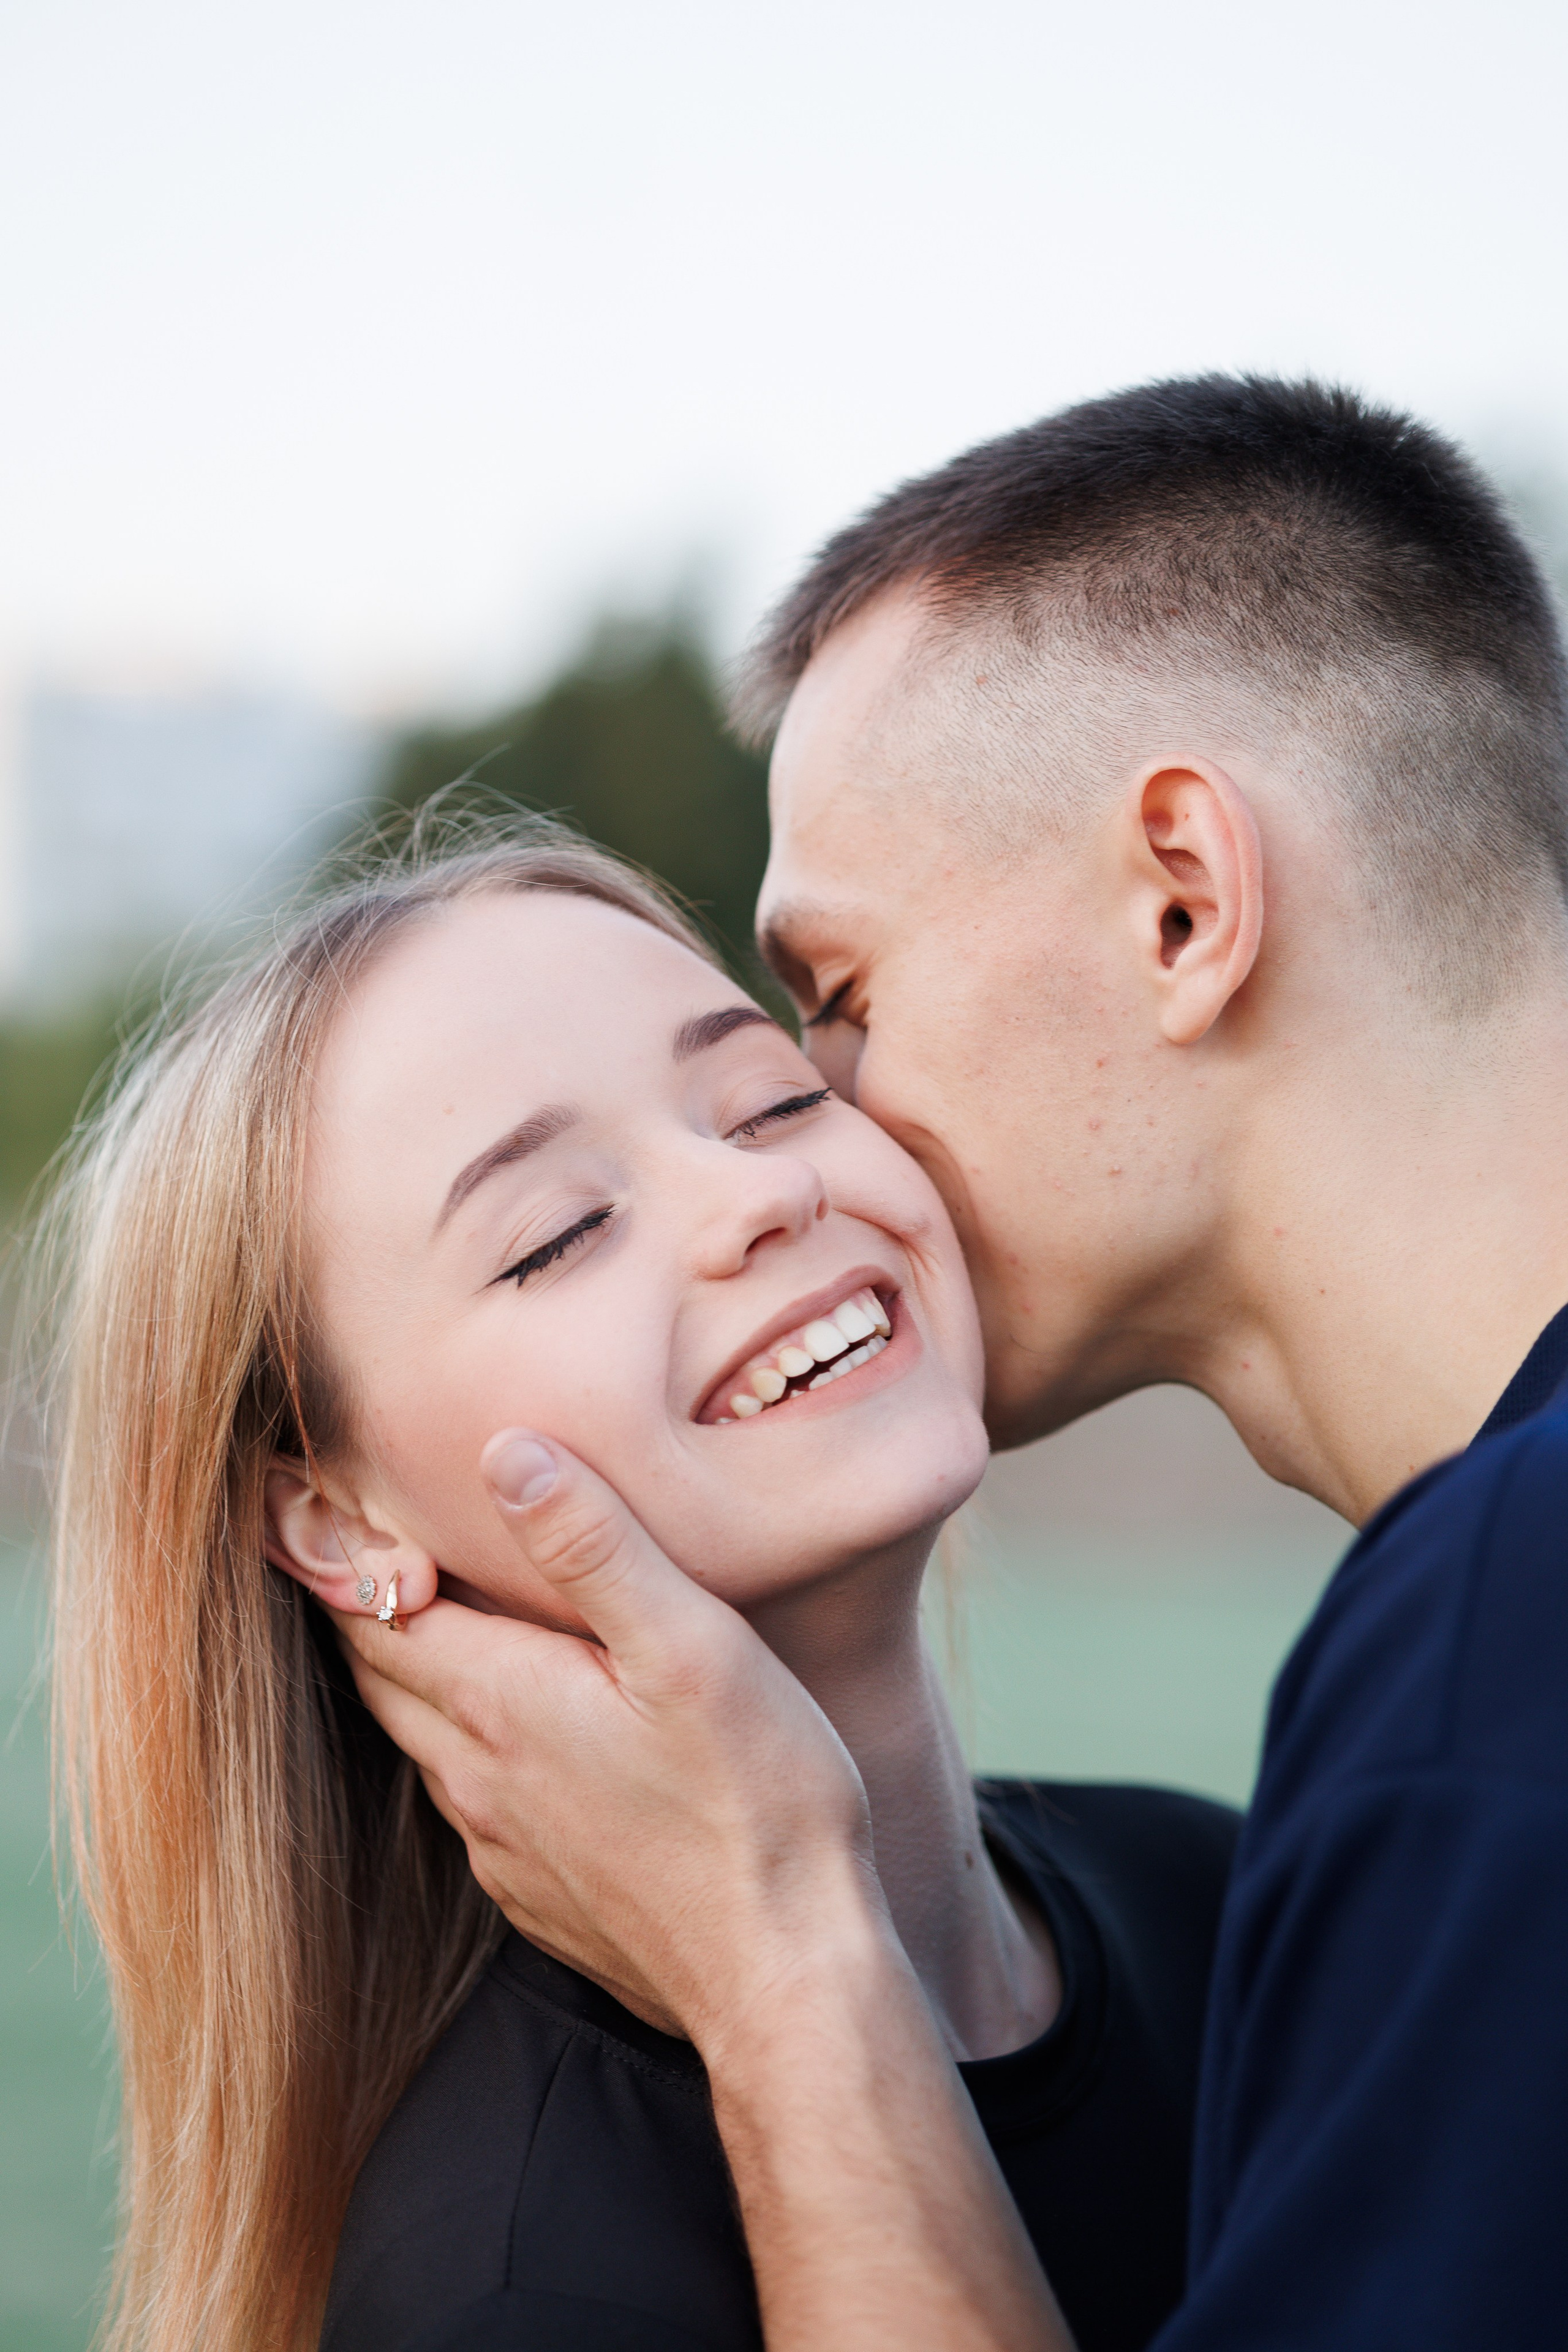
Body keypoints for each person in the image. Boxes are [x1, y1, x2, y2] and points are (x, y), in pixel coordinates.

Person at [333, 376, 1568, 2351]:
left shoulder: (1483, 1665)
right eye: (560, 1231)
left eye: (823, 1016)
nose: (821, 1150)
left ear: (1186, 899)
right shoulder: (511, 2253)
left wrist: (780, 1963)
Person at [47, 826, 1238, 2352]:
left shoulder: (1243, 1899)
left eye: (772, 1100)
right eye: (556, 1236)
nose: (751, 1198)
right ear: (337, 1523)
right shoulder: (513, 2286)